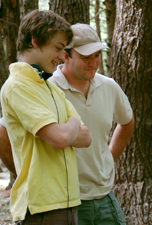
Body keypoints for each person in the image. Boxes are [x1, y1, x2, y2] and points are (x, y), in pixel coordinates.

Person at [0, 23, 134, 225]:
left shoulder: (109, 86)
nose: (94, 62)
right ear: (66, 55)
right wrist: (24, 175)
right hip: (65, 200)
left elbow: (127, 122)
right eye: (86, 57)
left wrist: (109, 159)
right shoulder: (46, 85)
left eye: (97, 55)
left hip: (104, 194)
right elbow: (3, 134)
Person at [0, 10, 92, 224]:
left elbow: (86, 137)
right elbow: (60, 139)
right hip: (41, 205)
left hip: (67, 201)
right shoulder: (17, 86)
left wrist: (66, 130)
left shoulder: (51, 88)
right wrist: (71, 124)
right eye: (58, 48)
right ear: (34, 41)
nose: (62, 57)